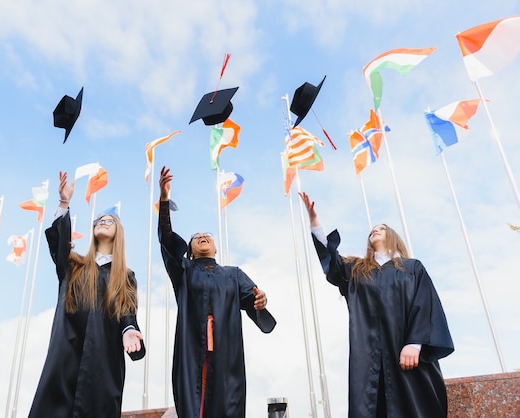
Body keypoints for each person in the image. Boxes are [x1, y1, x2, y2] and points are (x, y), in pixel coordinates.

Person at [299, 192, 454, 418]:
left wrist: (414, 344)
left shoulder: (412, 269)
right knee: (372, 406)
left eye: (381, 228)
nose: (375, 230)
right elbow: (332, 263)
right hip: (369, 355)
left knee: (415, 406)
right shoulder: (357, 270)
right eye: (372, 229)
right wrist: (314, 220)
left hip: (406, 352)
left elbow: (425, 305)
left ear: (392, 237)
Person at [158, 166, 276, 418]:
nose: (202, 236)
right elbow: (168, 241)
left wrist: (261, 300)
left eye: (207, 235)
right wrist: (165, 199)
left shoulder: (233, 274)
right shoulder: (185, 271)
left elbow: (252, 297)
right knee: (195, 400)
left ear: (215, 248)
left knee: (227, 400)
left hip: (225, 346)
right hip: (193, 347)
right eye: (196, 236)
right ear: (189, 248)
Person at [28, 171, 145, 418]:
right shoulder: (74, 266)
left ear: (119, 233)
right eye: (98, 220)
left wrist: (129, 330)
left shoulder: (125, 276)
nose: (102, 221)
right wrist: (63, 203)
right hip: (66, 353)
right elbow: (58, 246)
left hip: (103, 358)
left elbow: (127, 311)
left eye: (109, 220)